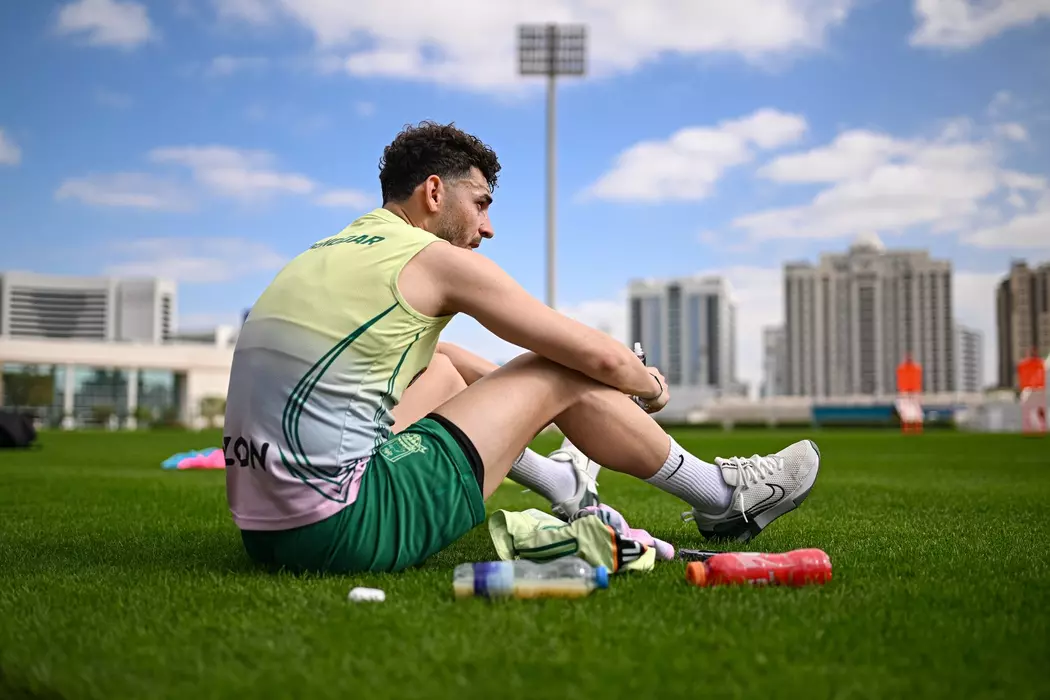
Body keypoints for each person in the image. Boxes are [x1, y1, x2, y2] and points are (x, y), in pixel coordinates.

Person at [223, 121, 821, 574]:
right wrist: (648, 386)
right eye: (481, 203)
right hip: (341, 529)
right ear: (434, 192)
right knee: (556, 367)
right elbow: (600, 358)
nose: (487, 227)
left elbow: (457, 370)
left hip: (266, 531)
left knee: (445, 366)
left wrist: (534, 413)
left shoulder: (327, 252)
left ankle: (561, 482)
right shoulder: (433, 260)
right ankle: (723, 497)